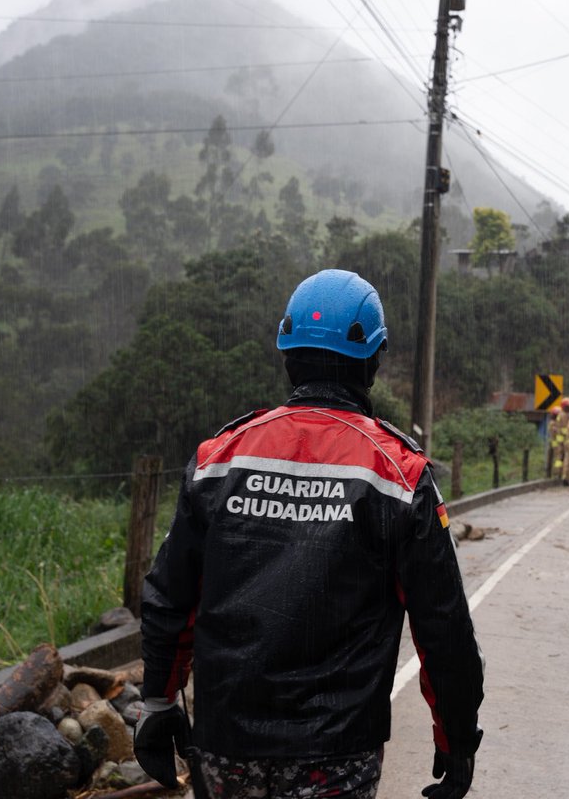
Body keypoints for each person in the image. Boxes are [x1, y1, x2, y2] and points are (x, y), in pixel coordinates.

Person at [134, 269, 485, 799]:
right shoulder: (399, 474)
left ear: (286, 353)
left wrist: (158, 704)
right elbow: (444, 629)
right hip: (337, 756)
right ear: (373, 360)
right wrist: (456, 737)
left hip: (226, 746)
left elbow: (169, 599)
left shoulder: (218, 460)